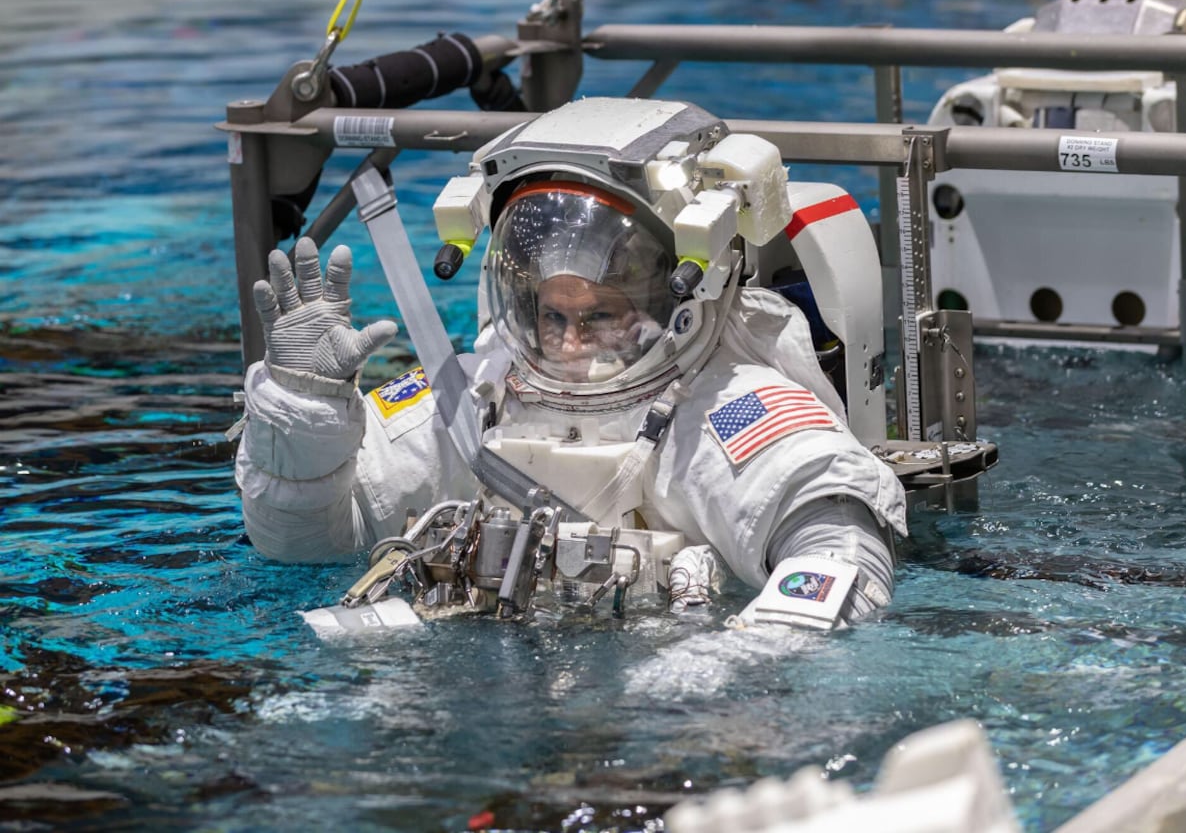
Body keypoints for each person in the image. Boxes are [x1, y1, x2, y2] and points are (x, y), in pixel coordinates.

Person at [235, 97, 908, 629]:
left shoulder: (725, 406)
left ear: (681, 298)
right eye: (552, 316)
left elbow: (842, 560)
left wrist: (708, 677)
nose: (568, 342)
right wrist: (305, 412)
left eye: (601, 316)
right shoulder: (474, 395)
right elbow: (308, 545)